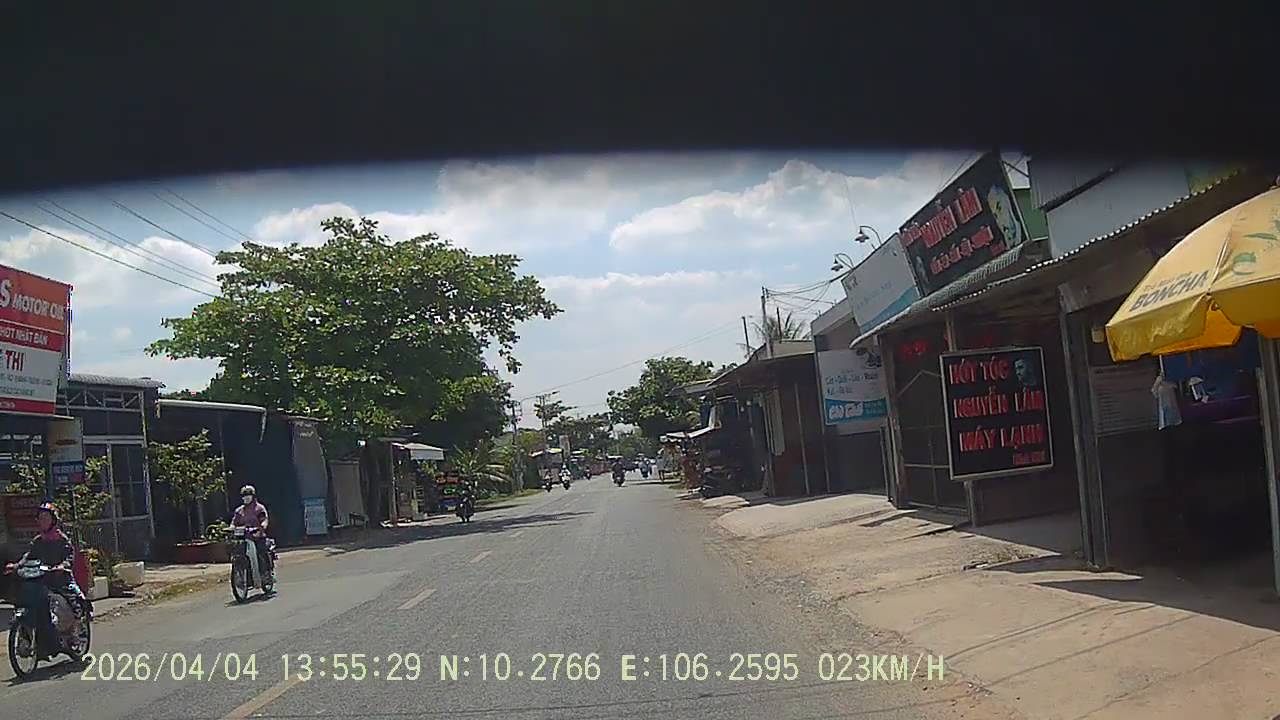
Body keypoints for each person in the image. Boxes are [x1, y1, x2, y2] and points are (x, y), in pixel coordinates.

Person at [16, 502, 89, 658]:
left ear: (53, 520)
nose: (43, 521)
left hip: (61, 580)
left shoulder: (62, 539)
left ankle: (74, 632)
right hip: (41, 580)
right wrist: (17, 565)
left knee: (76, 602)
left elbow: (69, 556)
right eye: (40, 518)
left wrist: (63, 566)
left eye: (46, 518)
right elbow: (28, 556)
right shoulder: (37, 541)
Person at [231, 485, 276, 588]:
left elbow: (264, 520)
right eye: (244, 495)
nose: (246, 497)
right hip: (243, 538)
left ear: (253, 496)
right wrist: (232, 527)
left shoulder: (259, 508)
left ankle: (266, 574)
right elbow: (234, 522)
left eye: (248, 495)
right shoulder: (239, 511)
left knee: (261, 552)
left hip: (257, 537)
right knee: (238, 552)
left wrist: (262, 526)